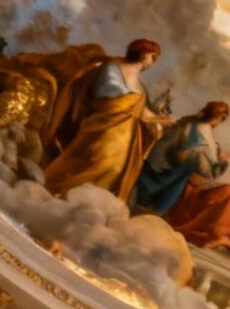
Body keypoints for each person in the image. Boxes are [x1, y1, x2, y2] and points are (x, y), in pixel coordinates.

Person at [133, 101, 230, 266]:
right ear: (219, 118)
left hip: (185, 180)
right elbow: (208, 170)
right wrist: (223, 161)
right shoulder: (201, 133)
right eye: (221, 119)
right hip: (184, 184)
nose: (220, 122)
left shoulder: (193, 126)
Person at [40, 39, 171, 203]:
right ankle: (58, 191)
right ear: (143, 53)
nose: (152, 62)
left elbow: (140, 110)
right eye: (153, 57)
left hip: (124, 138)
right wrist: (129, 101)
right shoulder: (112, 67)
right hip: (102, 128)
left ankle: (84, 204)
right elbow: (103, 92)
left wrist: (157, 118)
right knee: (94, 162)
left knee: (115, 169)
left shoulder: (140, 86)